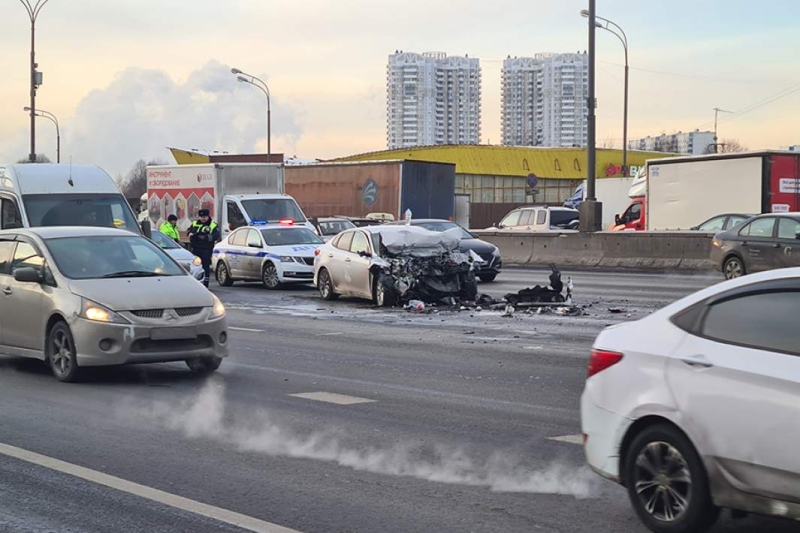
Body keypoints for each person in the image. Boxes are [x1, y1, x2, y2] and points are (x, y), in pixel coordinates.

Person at [187, 209, 220, 288]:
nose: (203, 218)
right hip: (195, 249)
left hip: (206, 249)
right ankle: (193, 284)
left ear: (208, 216)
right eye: (201, 217)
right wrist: (190, 234)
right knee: (193, 267)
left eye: (204, 217)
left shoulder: (213, 225)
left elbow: (213, 237)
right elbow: (188, 231)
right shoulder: (194, 223)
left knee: (205, 267)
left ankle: (205, 285)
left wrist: (201, 237)